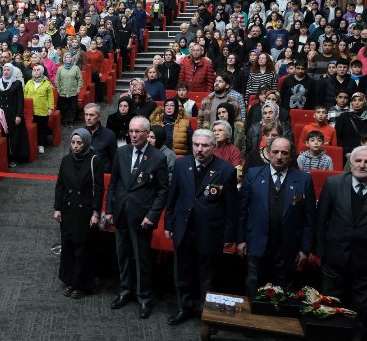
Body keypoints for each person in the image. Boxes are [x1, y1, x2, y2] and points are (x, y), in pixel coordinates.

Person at [315, 146, 367, 341]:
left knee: (362, 311)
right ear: (350, 163)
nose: (362, 165)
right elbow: (321, 221)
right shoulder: (333, 184)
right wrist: (319, 252)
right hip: (334, 259)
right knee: (329, 307)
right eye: (358, 161)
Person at [164, 129, 238, 324]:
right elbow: (172, 197)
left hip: (210, 231)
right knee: (182, 272)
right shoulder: (181, 164)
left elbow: (231, 208)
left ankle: (205, 312)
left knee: (208, 275)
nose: (199, 149)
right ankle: (184, 307)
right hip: (184, 228)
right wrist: (169, 223)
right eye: (196, 145)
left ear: (213, 147)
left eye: (205, 145)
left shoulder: (226, 170)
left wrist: (229, 235)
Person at [104, 116, 169, 319]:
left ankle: (144, 297)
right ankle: (125, 291)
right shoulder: (121, 152)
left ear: (147, 133)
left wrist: (152, 215)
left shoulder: (158, 157)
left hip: (142, 218)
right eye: (131, 131)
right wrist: (109, 210)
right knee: (122, 255)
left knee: (142, 259)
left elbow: (162, 191)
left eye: (138, 131)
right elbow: (113, 184)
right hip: (121, 213)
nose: (133, 135)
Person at [237, 137, 316, 296]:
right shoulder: (253, 174)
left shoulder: (303, 180)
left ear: (291, 155)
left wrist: (305, 249)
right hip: (257, 243)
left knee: (284, 292)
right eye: (275, 152)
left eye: (284, 153)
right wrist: (240, 239)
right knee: (254, 288)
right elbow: (242, 211)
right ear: (268, 153)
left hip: (288, 247)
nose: (279, 156)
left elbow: (309, 218)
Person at [53, 128, 104, 300]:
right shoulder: (66, 160)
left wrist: (96, 212)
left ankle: (81, 285)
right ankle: (69, 281)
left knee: (83, 248)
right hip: (68, 209)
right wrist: (57, 208)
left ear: (86, 143)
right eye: (73, 142)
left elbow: (98, 189)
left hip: (85, 211)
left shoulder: (94, 160)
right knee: (67, 246)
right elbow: (60, 185)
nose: (75, 146)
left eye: (79, 143)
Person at [0, 63, 29, 167]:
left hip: (13, 114)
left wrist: (19, 115)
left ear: (12, 71)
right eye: (4, 70)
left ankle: (14, 158)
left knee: (14, 137)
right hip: (1, 114)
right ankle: (4, 158)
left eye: (8, 70)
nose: (6, 72)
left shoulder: (17, 83)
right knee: (3, 137)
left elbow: (20, 101)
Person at [335, 92, 367, 158]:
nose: (357, 103)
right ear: (351, 102)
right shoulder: (344, 117)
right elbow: (338, 136)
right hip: (346, 154)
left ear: (364, 102)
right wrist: (346, 152)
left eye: (360, 100)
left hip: (365, 154)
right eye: (354, 100)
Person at [24, 64, 54, 154]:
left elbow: (50, 97)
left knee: (42, 129)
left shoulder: (47, 83)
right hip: (30, 110)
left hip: (42, 110)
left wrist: (50, 108)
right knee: (31, 128)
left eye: (38, 70)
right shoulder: (29, 82)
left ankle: (41, 145)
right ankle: (32, 144)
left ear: (42, 72)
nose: (36, 71)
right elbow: (24, 95)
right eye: (34, 70)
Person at [83, 103, 118, 173]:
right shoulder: (80, 134)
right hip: (84, 175)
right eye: (86, 114)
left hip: (102, 176)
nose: (88, 118)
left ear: (99, 117)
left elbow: (115, 159)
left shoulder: (110, 135)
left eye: (91, 115)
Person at [55, 52, 83, 127]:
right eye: (67, 57)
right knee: (64, 108)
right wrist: (58, 88)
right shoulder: (60, 68)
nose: (68, 59)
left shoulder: (76, 68)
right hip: (62, 92)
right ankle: (65, 121)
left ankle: (71, 121)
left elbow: (80, 79)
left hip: (73, 91)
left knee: (72, 108)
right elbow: (57, 80)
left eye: (70, 57)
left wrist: (78, 88)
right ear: (64, 58)